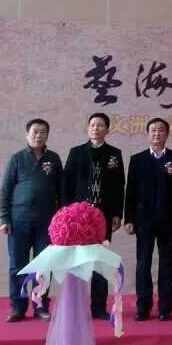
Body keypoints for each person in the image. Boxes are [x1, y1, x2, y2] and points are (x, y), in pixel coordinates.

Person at [124, 118, 172, 321]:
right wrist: (129, 218)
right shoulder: (137, 159)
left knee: (166, 263)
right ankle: (143, 307)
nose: (157, 133)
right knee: (143, 263)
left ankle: (165, 308)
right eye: (153, 130)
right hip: (143, 220)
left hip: (168, 219)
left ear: (167, 134)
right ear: (147, 134)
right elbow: (130, 191)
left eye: (161, 130)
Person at [0, 118, 63, 322]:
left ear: (47, 135)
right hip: (18, 222)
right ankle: (17, 308)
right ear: (27, 134)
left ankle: (40, 307)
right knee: (17, 266)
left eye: (43, 132)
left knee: (43, 266)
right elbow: (5, 191)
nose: (38, 135)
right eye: (35, 131)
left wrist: (61, 220)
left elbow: (61, 191)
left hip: (46, 223)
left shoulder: (53, 159)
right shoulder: (17, 159)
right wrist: (4, 218)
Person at [63, 113, 125, 320]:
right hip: (79, 217)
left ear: (107, 129)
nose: (95, 128)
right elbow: (67, 184)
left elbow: (119, 186)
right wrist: (68, 213)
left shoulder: (114, 154)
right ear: (88, 128)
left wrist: (117, 213)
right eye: (92, 125)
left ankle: (98, 306)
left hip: (102, 217)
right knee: (79, 262)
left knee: (100, 261)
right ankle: (77, 306)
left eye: (100, 125)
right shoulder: (76, 152)